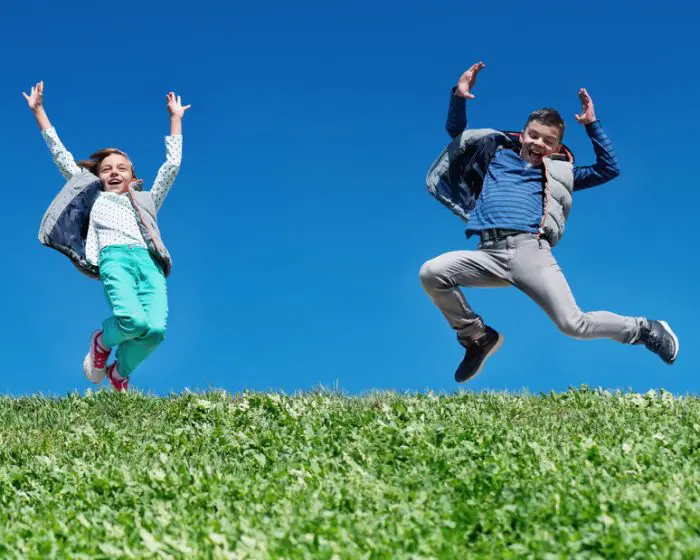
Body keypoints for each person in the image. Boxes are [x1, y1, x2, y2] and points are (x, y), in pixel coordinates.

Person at [421, 62, 678, 383]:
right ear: (523, 134)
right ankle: (477, 338)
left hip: (530, 255)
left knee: (574, 325)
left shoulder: (557, 173)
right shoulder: (495, 155)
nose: (537, 143)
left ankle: (642, 329)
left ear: (557, 148)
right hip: (487, 254)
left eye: (547, 141)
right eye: (533, 135)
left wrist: (592, 124)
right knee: (433, 273)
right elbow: (458, 135)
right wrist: (458, 97)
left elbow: (608, 169)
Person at [24, 81, 190, 391]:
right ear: (98, 176)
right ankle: (101, 341)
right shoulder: (93, 196)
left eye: (121, 169)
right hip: (114, 258)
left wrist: (175, 118)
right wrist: (39, 112)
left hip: (150, 264)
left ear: (133, 177)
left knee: (154, 330)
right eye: (107, 169)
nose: (114, 172)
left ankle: (119, 373)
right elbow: (61, 155)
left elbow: (171, 167)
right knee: (133, 321)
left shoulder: (146, 200)